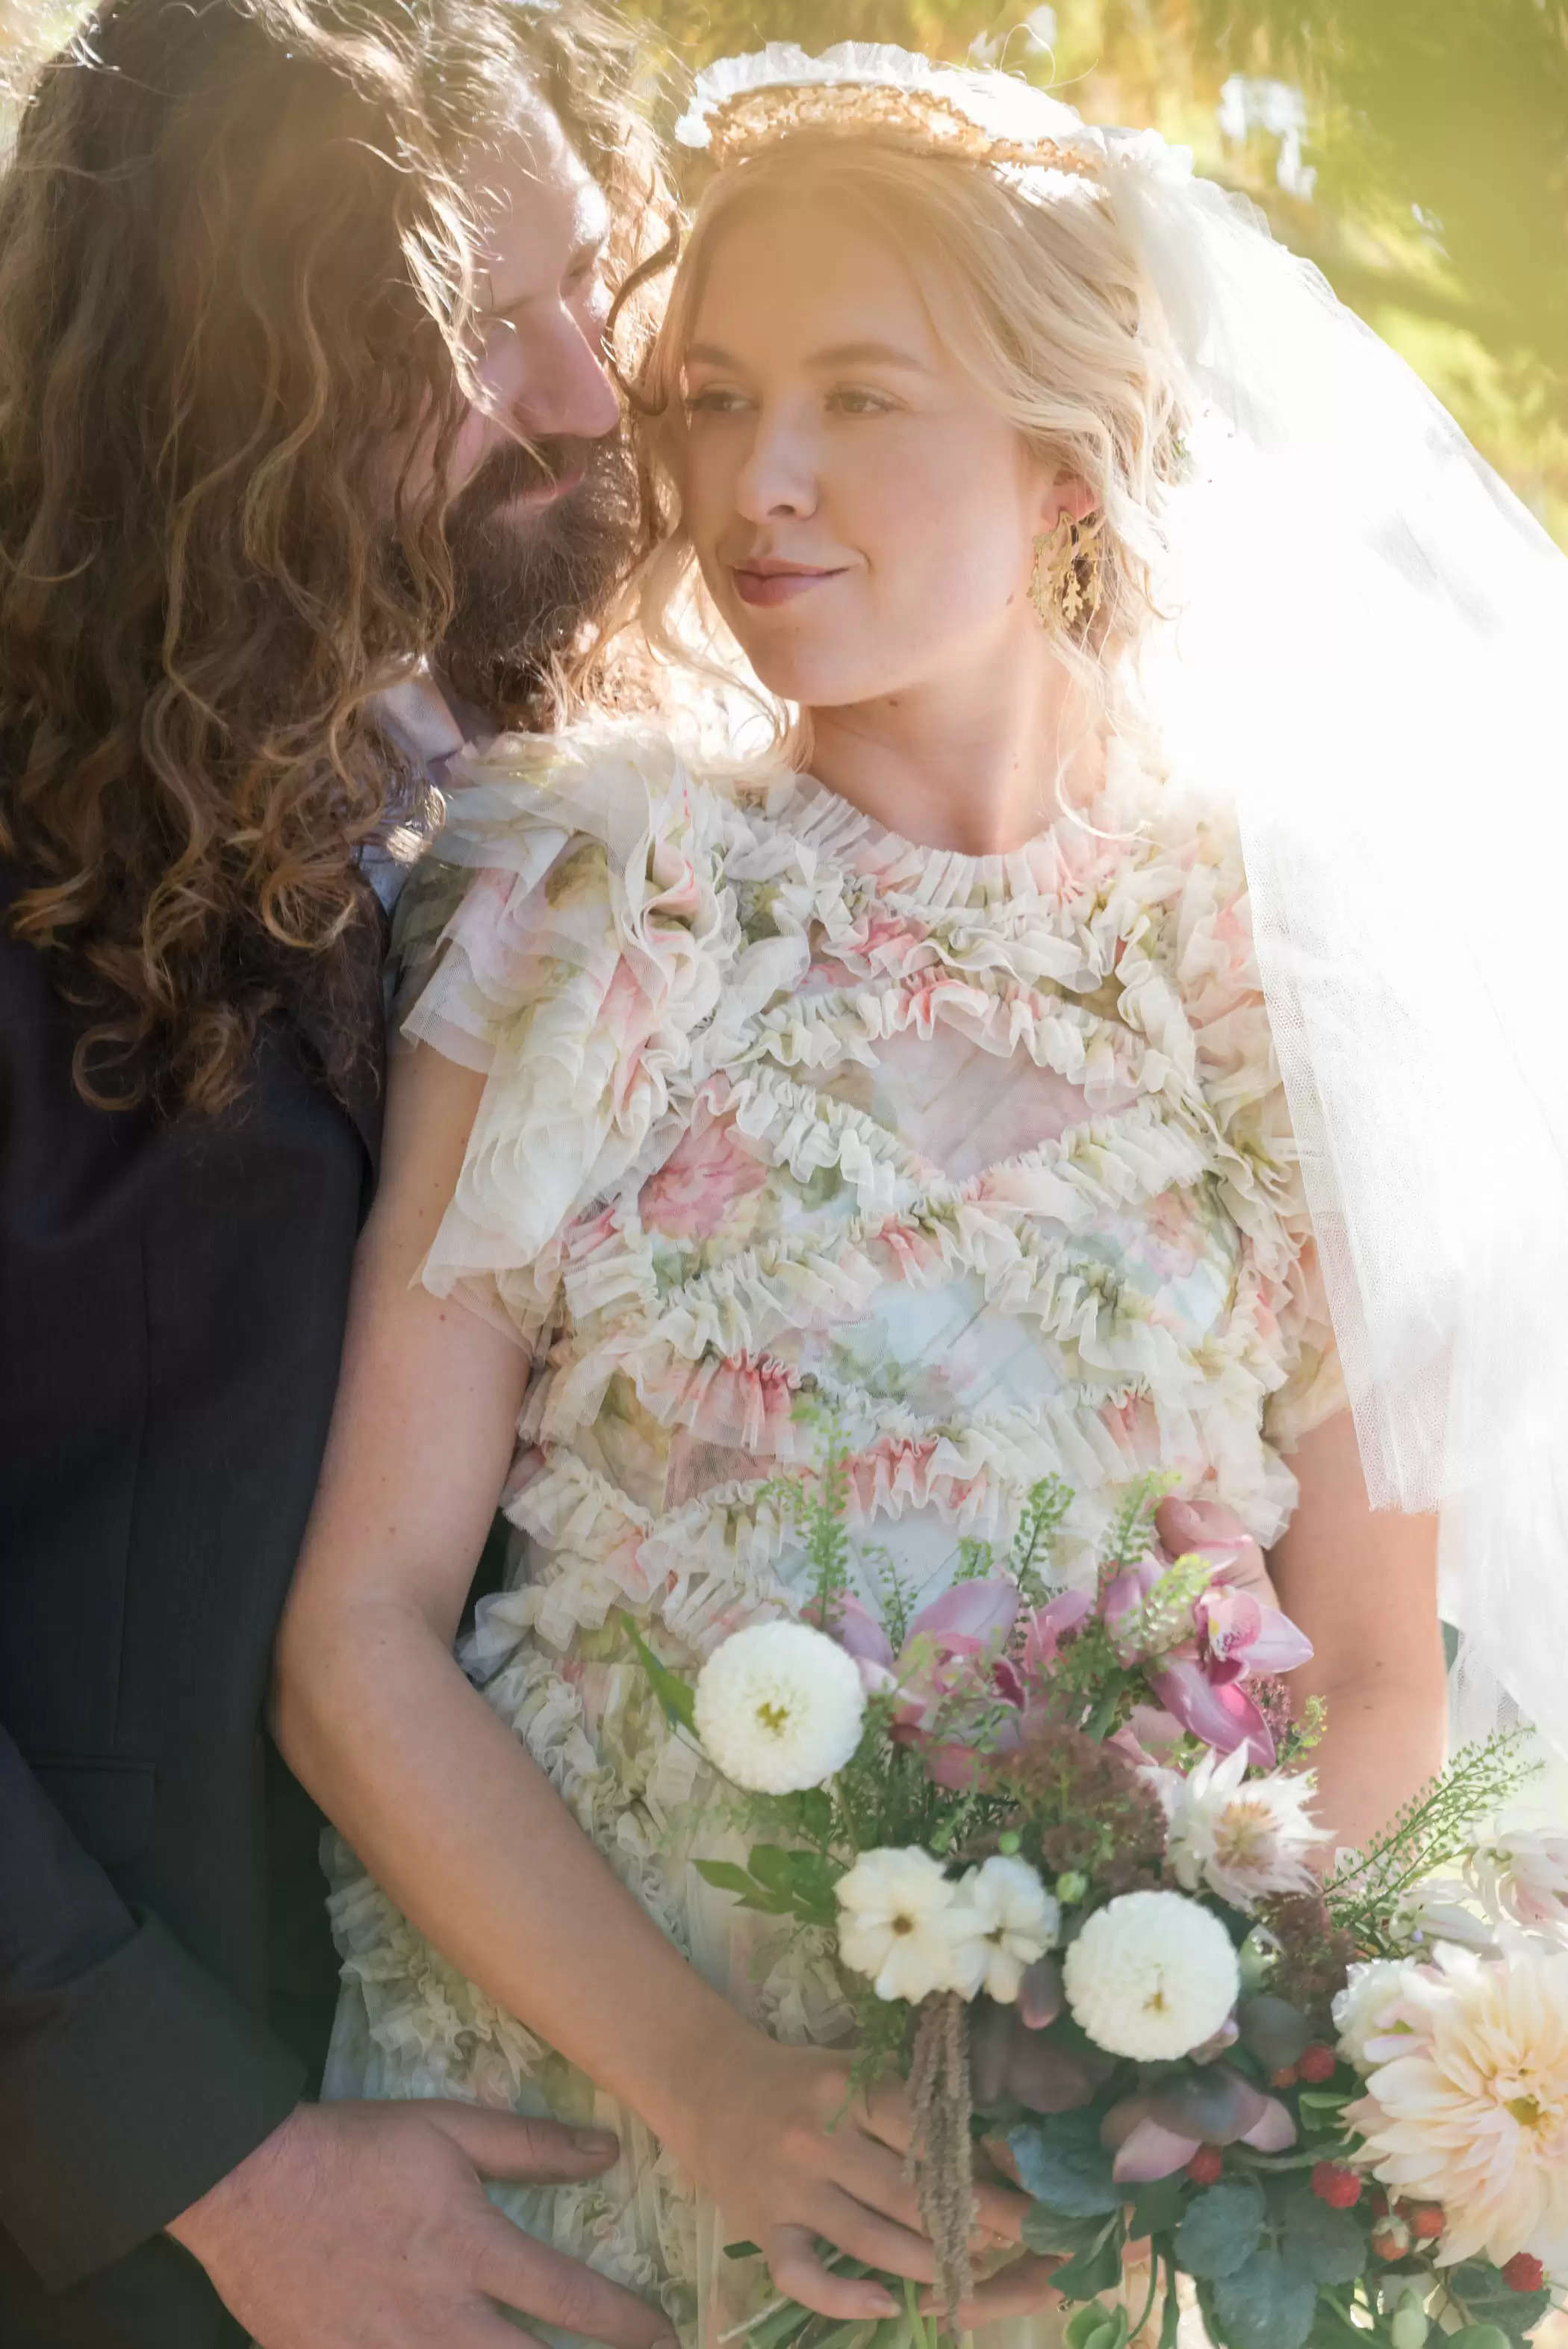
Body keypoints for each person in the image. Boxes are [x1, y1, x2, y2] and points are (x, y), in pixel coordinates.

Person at [264, 38, 1502, 2349]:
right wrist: (709, 2084)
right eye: (713, 398)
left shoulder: (1273, 974)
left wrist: (1169, 2095)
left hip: (1054, 2215)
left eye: (859, 395)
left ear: (1066, 453)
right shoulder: (583, 902)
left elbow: (1360, 1672)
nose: (763, 480)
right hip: (581, 2160)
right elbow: (359, 1632)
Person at [0, 2, 678, 2346]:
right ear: (216, 377)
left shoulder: (549, 797)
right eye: (485, 331)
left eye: (595, 283)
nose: (591, 395)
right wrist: (213, 2163)